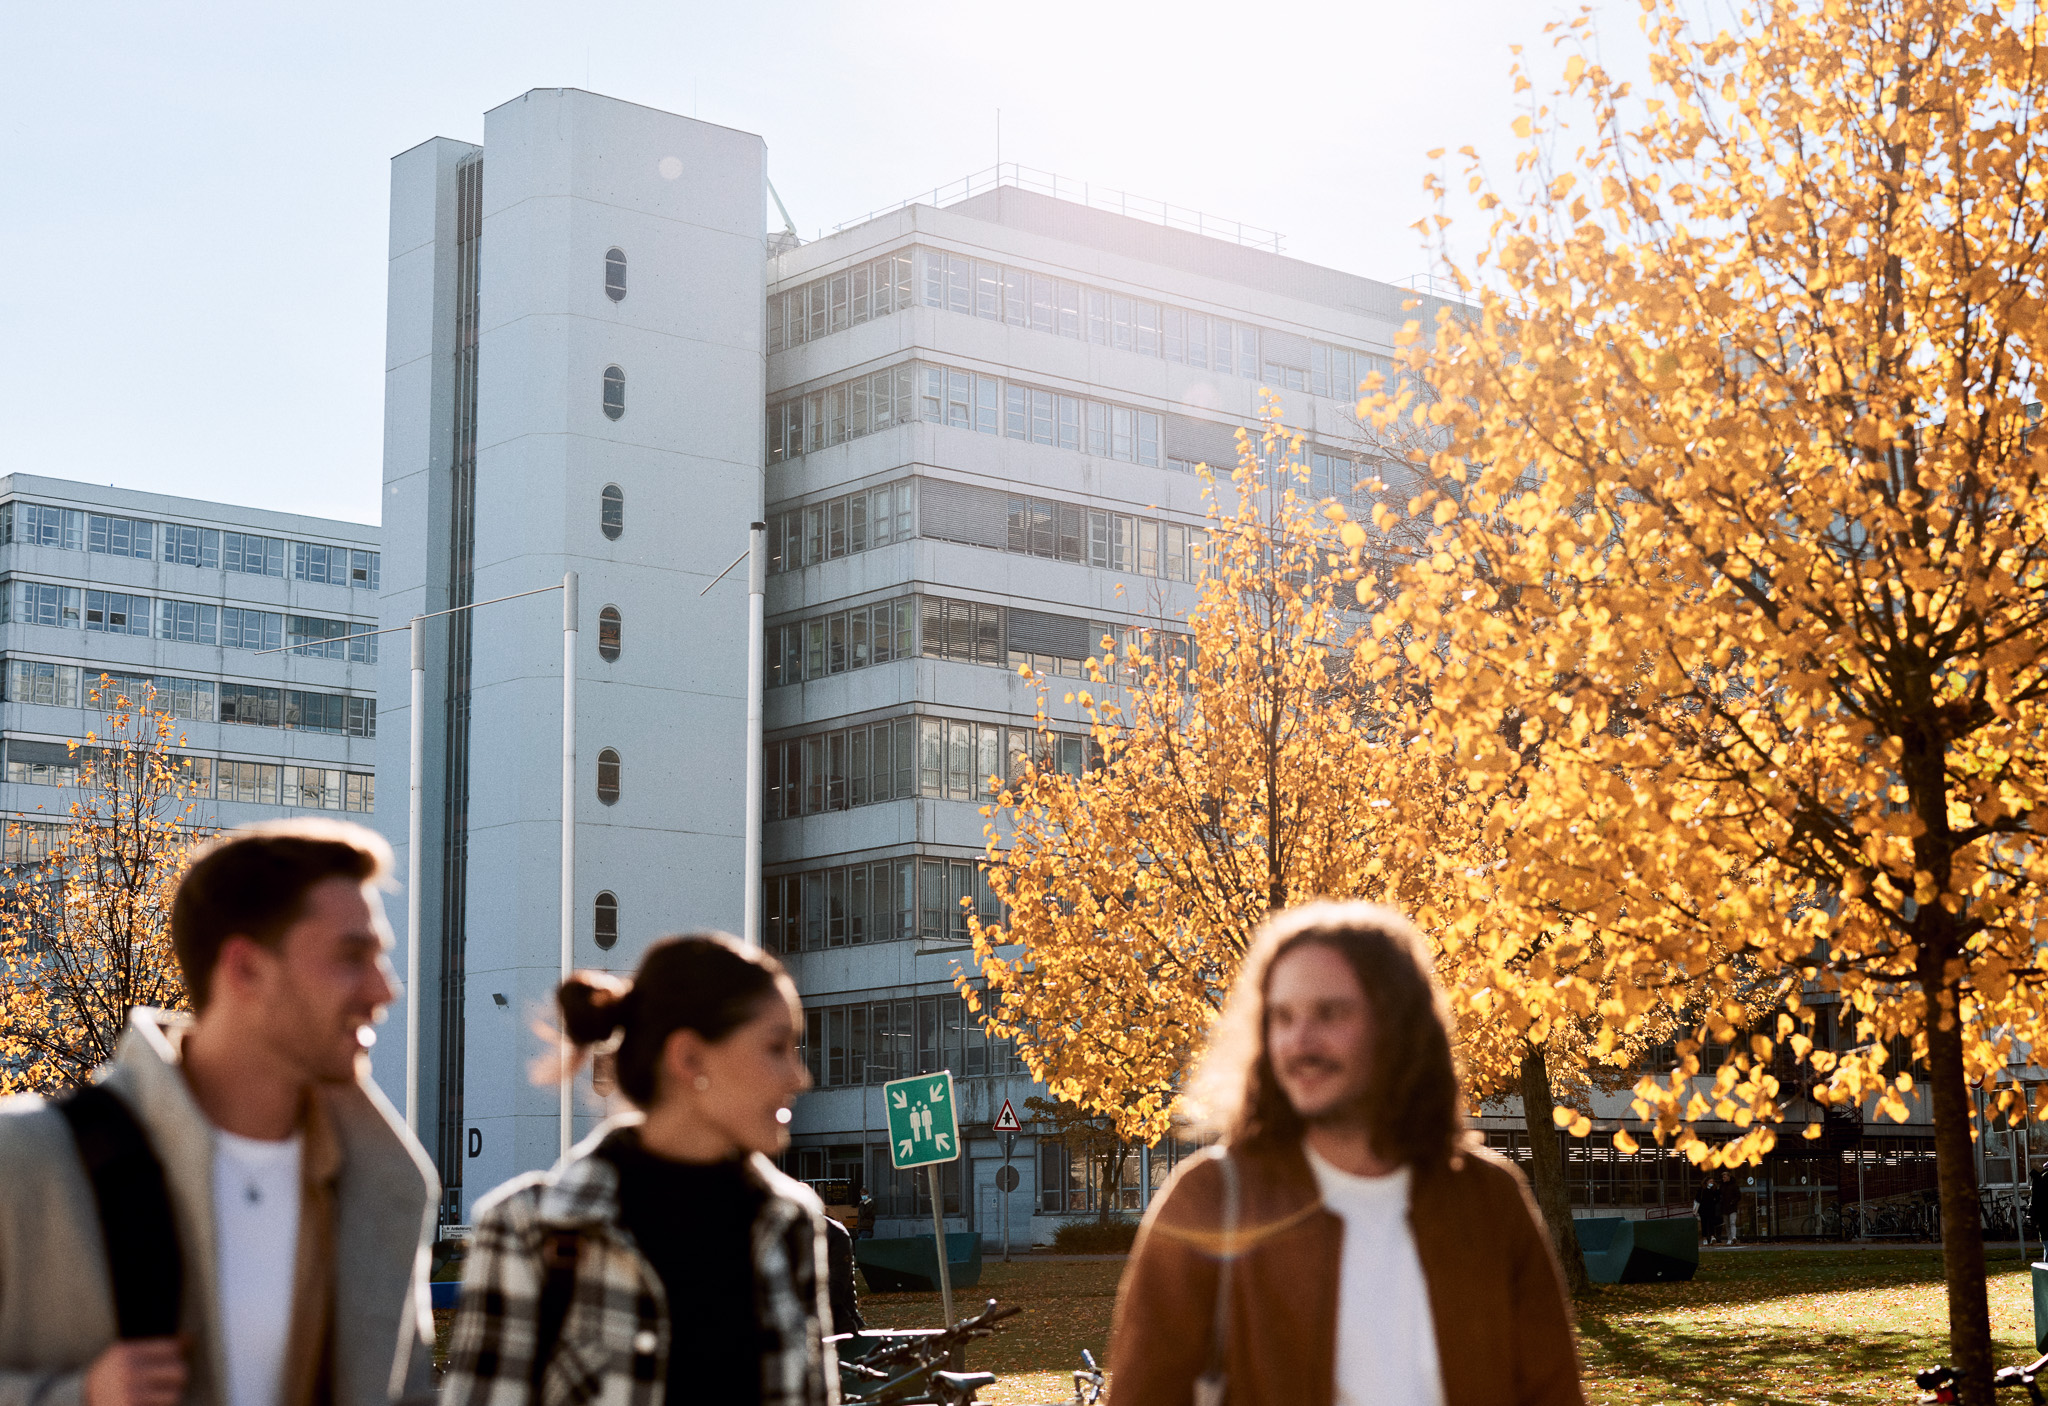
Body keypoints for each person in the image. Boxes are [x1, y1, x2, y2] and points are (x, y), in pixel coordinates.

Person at [0, 819, 439, 1406]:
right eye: (352, 956)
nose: (386, 990)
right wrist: (79, 1397)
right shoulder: (26, 1162)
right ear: (245, 970)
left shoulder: (381, 1186)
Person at [1109, 901, 1583, 1406]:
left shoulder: (1489, 1201)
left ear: (1397, 1026)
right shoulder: (1208, 1199)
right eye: (1282, 1017)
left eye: (1330, 1013)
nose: (1299, 1042)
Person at [443, 932, 834, 1406]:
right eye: (777, 1048)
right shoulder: (527, 1229)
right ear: (689, 1058)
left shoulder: (793, 1222)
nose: (800, 1077)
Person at [1694, 1175, 1723, 1246]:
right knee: (1704, 1224)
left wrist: (1714, 1202)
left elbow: (1718, 1197)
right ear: (1706, 1182)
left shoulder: (1714, 1189)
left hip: (1711, 1209)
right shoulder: (1702, 1189)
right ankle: (1704, 1238)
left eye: (1712, 1181)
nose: (1712, 1183)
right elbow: (1698, 1198)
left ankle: (1712, 1236)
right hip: (1703, 1209)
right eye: (1710, 1181)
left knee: (1711, 1223)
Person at [1718, 1171, 1743, 1245]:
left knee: (1732, 1222)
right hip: (1725, 1207)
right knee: (1728, 1224)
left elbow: (1738, 1196)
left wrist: (1733, 1202)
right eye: (1723, 1177)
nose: (1723, 1178)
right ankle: (1730, 1238)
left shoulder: (1733, 1186)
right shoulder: (1722, 1186)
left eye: (1724, 1177)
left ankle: (1733, 1237)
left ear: (1729, 1177)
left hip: (1731, 1207)